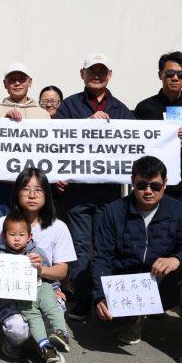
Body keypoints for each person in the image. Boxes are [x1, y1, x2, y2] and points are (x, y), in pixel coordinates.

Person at [92, 156, 182, 363]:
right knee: (102, 325)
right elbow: (102, 258)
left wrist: (176, 259)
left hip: (161, 282)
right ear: (132, 182)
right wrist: (100, 296)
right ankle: (135, 317)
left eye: (155, 186)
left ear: (165, 184)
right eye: (141, 185)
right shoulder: (114, 211)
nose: (148, 191)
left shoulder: (178, 210)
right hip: (127, 284)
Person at [54, 53, 135, 322]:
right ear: (82, 74)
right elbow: (55, 143)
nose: (97, 75)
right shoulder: (68, 107)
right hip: (77, 193)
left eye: (102, 71)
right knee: (79, 248)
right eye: (92, 71)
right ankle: (83, 299)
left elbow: (136, 146)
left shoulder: (122, 110)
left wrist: (174, 134)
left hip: (109, 192)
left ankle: (104, 298)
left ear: (109, 75)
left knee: (105, 246)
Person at [0, 168, 76, 363]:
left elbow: (62, 271)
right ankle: (19, 341)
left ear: (47, 194)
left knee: (51, 313)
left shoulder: (58, 227)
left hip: (43, 290)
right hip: (10, 294)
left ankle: (42, 346)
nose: (32, 195)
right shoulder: (1, 224)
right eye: (26, 189)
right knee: (19, 329)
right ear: (17, 193)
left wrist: (41, 271)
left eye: (38, 189)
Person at [134, 52, 182, 224]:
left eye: (180, 75)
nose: (175, 78)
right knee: (152, 232)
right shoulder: (145, 107)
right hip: (151, 185)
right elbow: (136, 144)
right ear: (160, 74)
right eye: (170, 74)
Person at [0, 213, 70, 363]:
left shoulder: (37, 252)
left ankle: (61, 333)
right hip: (22, 298)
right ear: (4, 235)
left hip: (42, 289)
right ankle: (44, 347)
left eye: (21, 235)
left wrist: (56, 288)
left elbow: (48, 273)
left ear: (29, 237)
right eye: (12, 235)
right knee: (33, 318)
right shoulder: (0, 256)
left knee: (53, 308)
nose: (16, 238)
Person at [0, 63, 51, 228]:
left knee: (30, 233)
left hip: (31, 188)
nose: (17, 83)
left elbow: (50, 149)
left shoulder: (43, 114)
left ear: (30, 82)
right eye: (12, 80)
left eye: (21, 79)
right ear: (5, 84)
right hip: (0, 188)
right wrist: (3, 122)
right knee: (0, 231)